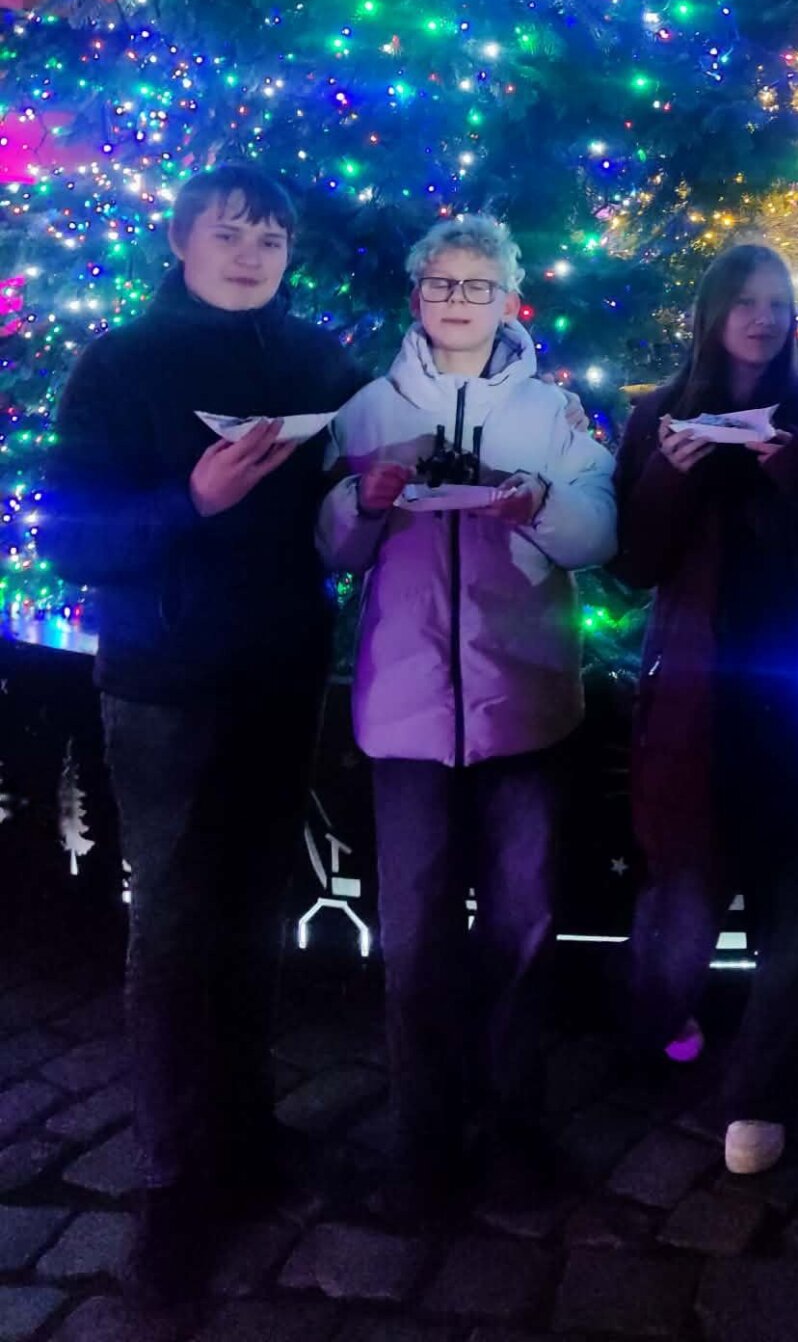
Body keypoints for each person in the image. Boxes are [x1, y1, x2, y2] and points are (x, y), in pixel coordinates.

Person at [47, 164, 365, 1304]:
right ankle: (175, 1187)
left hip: (281, 674)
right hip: (165, 684)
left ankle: (249, 1135)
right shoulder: (121, 362)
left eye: (269, 239)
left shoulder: (317, 362)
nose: (249, 255)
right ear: (181, 241)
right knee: (175, 930)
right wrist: (194, 502)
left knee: (254, 916)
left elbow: (355, 491)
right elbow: (70, 539)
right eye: (228, 234)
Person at [316, 214, 617, 1225]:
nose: (457, 300)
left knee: (524, 931)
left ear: (508, 301)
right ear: (417, 296)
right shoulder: (368, 408)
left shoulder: (551, 411)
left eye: (477, 286)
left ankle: (518, 1130)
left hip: (523, 709)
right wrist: (363, 502)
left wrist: (539, 505)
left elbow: (598, 532)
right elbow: (333, 548)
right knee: (414, 939)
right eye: (442, 283)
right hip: (404, 717)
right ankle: (422, 1140)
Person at [613, 242, 798, 1177]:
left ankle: (758, 1096)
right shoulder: (658, 416)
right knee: (679, 909)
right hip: (697, 704)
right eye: (744, 300)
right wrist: (670, 473)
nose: (763, 317)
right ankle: (665, 1024)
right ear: (711, 313)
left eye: (777, 301)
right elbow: (631, 566)